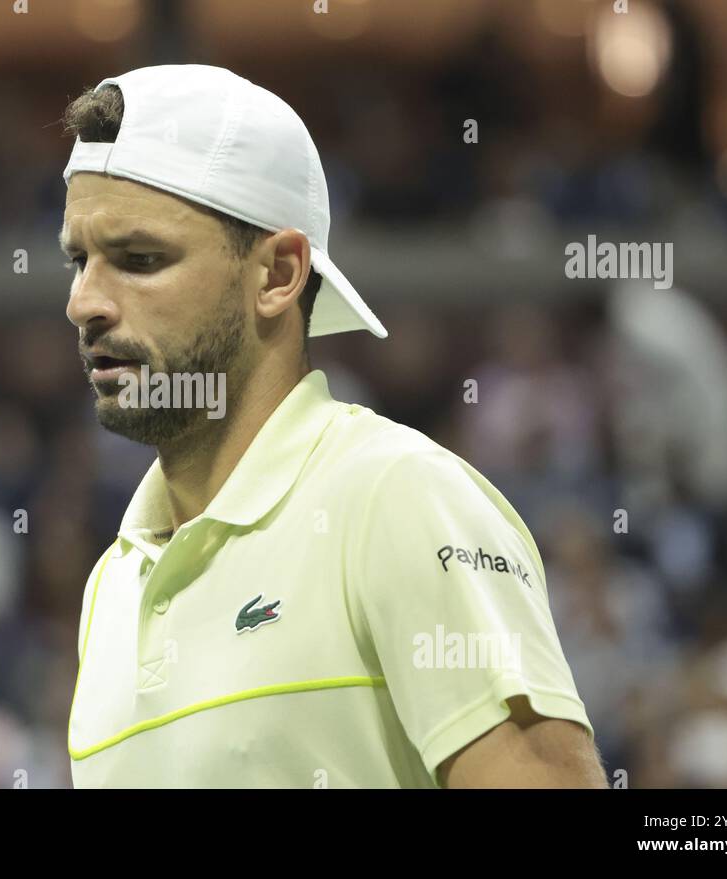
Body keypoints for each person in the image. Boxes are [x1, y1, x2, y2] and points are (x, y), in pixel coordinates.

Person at [58, 64, 604, 788]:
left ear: (280, 273)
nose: (85, 302)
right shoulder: (109, 586)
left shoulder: (397, 498)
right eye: (79, 260)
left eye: (139, 259)